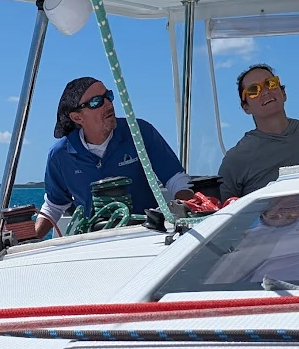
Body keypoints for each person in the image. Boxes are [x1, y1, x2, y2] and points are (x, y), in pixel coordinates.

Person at [33, 77, 193, 236]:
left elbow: (176, 180)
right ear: (77, 117)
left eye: (108, 96)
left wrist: (190, 214)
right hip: (94, 239)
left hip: (147, 234)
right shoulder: (61, 155)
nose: (109, 104)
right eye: (96, 102)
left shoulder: (139, 133)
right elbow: (54, 205)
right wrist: (27, 240)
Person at [218, 64, 299, 200]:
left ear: (283, 93)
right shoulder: (235, 159)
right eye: (253, 90)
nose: (265, 92)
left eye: (271, 84)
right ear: (246, 107)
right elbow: (221, 210)